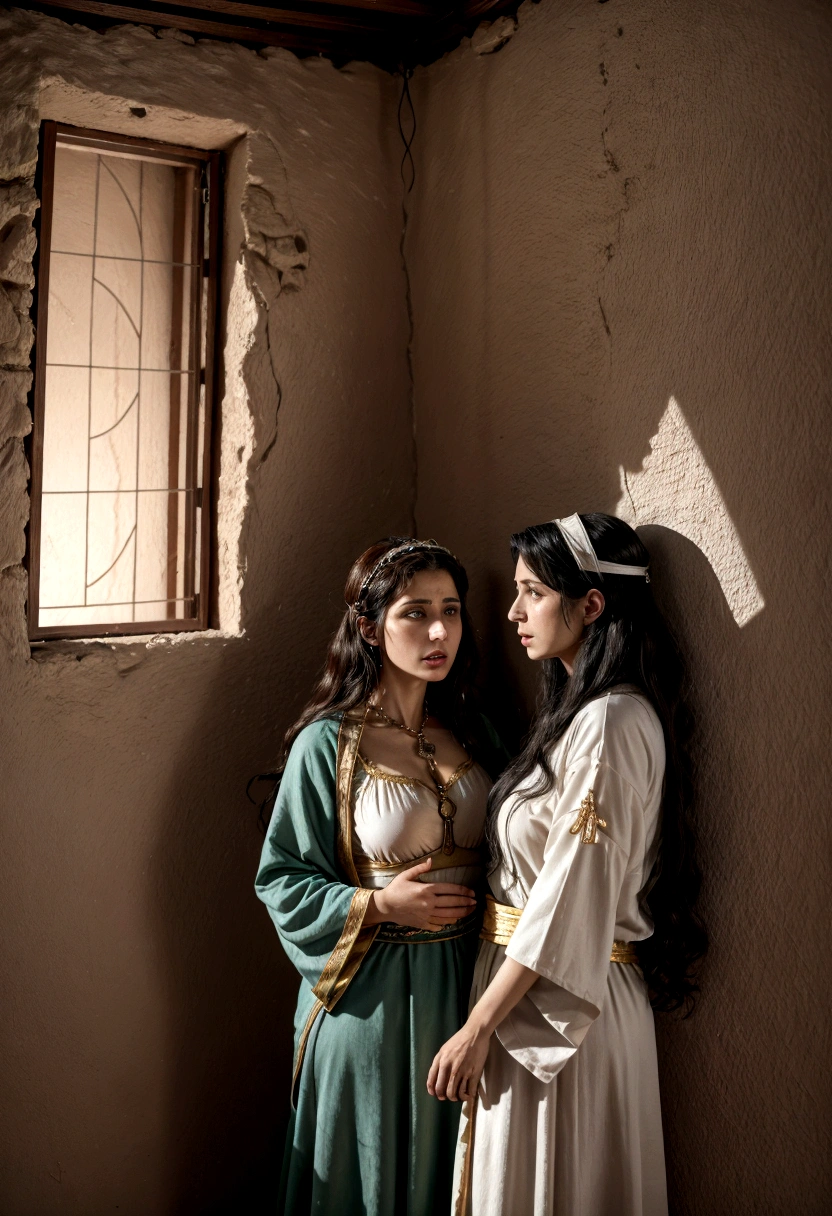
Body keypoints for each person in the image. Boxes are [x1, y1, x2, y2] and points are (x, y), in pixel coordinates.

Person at [427, 514, 707, 1216]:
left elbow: (569, 895)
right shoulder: (578, 716)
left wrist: (480, 1025)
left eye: (534, 592)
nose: (514, 611)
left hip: (563, 1009)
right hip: (532, 987)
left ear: (592, 605)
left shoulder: (613, 723)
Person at [255, 537, 507, 1216]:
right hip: (371, 1001)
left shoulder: (479, 730)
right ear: (368, 627)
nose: (438, 632)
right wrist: (378, 902)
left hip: (471, 989)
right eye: (414, 613)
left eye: (451, 612)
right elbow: (281, 877)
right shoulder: (328, 745)